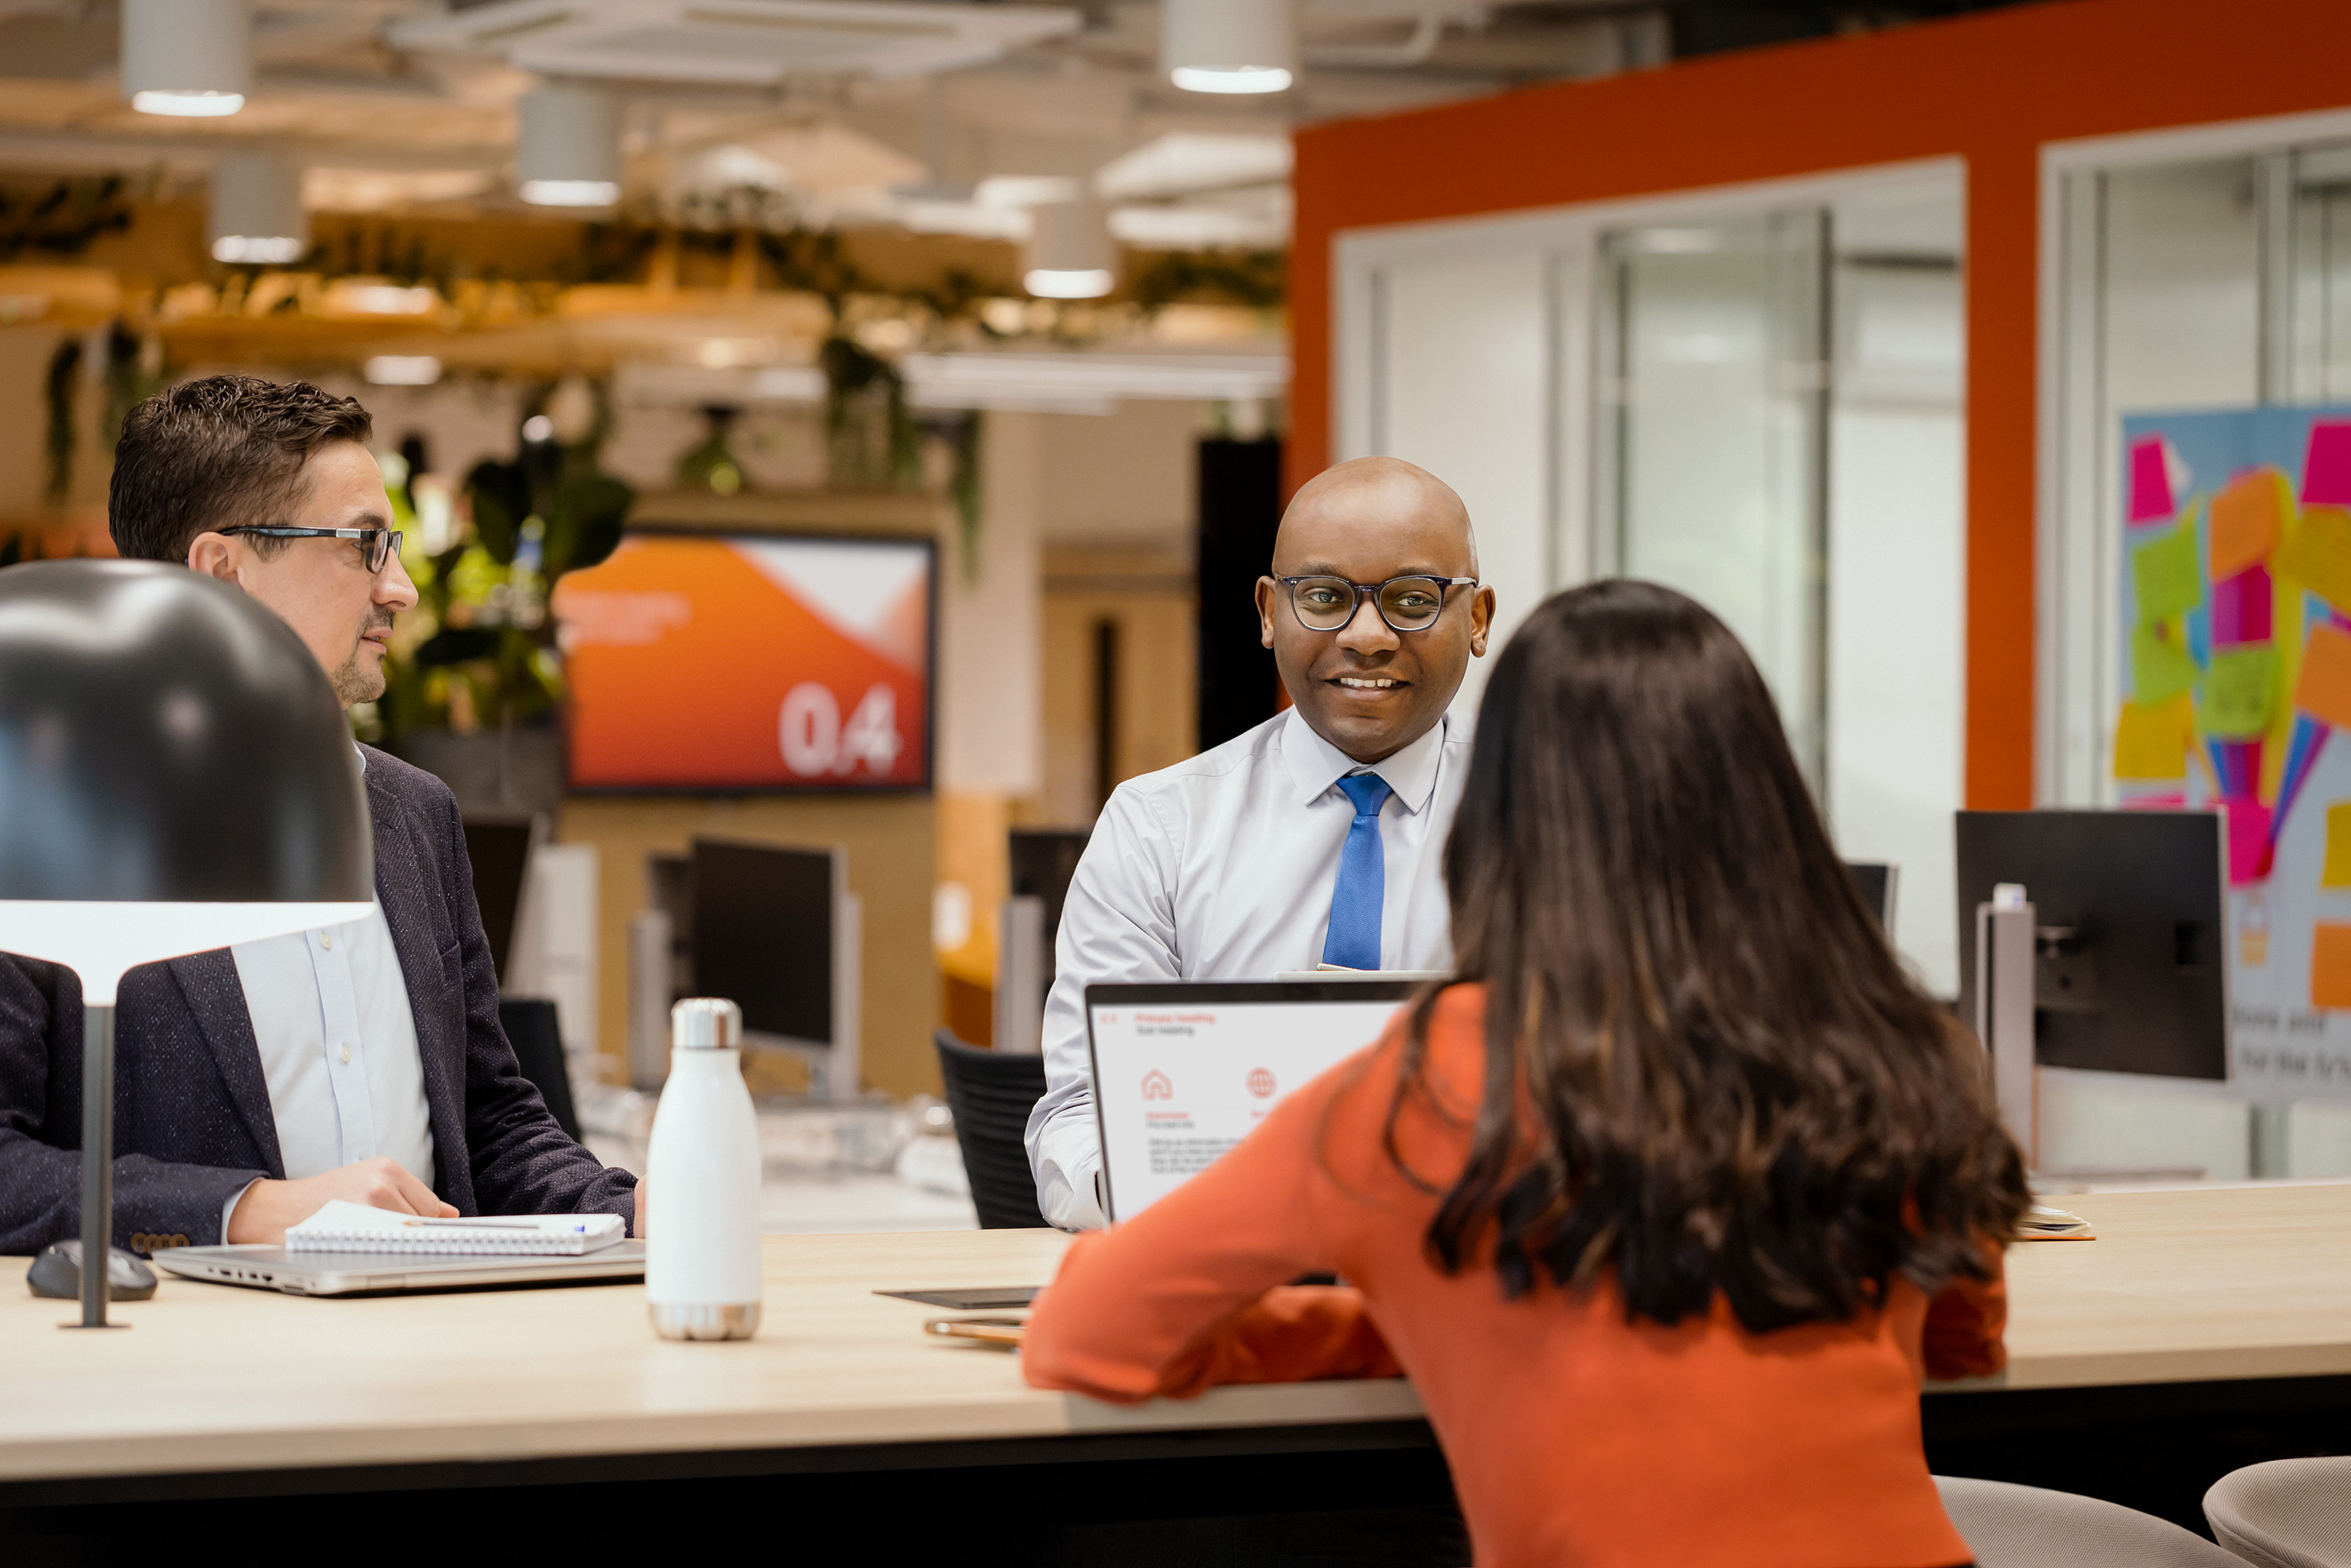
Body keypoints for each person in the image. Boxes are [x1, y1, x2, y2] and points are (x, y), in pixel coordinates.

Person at [1022, 579, 2030, 1567]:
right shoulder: (1896, 1051)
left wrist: (1408, 1326)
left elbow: (1087, 1330)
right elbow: (1961, 1338)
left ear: (1499, 814)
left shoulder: (1438, 1071)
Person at [0, 375, 636, 1254]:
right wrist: (251, 1208)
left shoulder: (414, 813)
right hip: (184, 1364)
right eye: (365, 545)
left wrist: (631, 1210)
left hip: (429, 1362)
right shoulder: (43, 826)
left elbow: (487, 1120)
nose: (402, 589)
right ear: (224, 571)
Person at [1024, 456, 1496, 1229]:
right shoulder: (1157, 828)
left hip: (1478, 1278)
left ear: (1476, 619)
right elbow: (1082, 1112)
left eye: (1412, 600)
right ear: (1269, 611)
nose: (1367, 636)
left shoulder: (1551, 822)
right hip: (1220, 1277)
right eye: (1325, 598)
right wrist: (1167, 1197)